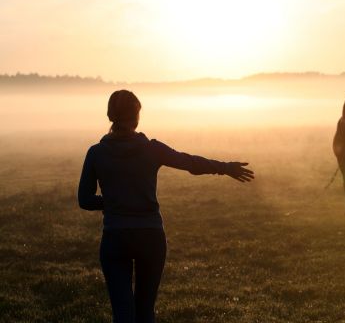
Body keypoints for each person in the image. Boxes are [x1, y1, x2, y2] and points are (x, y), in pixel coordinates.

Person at [78, 89, 254, 323]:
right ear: (137, 116)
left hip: (115, 237)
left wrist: (112, 202)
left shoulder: (96, 153)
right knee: (145, 312)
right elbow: (190, 162)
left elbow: (85, 199)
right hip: (150, 237)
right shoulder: (151, 148)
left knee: (123, 314)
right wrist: (226, 167)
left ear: (110, 116)